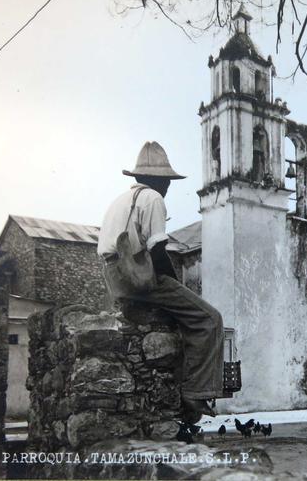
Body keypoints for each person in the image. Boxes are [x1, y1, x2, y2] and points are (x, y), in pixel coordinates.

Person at [97, 141, 222, 417]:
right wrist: (176, 283)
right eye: (166, 181)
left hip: (116, 279)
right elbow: (157, 250)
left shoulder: (119, 201)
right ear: (156, 179)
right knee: (209, 319)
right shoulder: (153, 198)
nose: (167, 187)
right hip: (139, 278)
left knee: (178, 316)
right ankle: (197, 392)